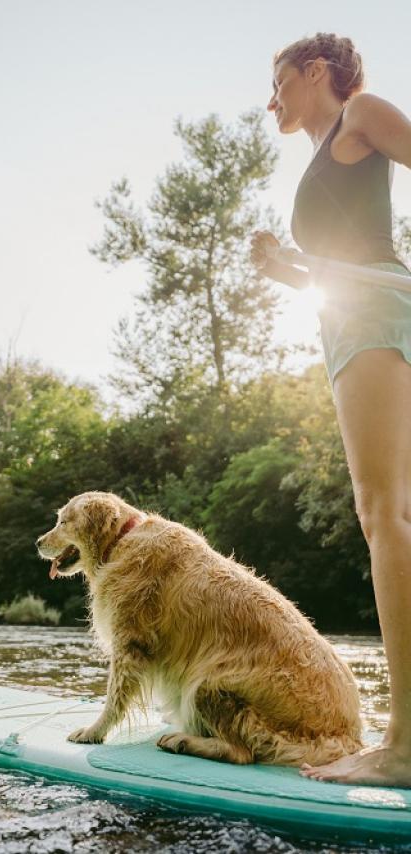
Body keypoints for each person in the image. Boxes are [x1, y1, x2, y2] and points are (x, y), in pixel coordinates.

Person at [250, 32, 411, 787]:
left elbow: (368, 266)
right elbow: (335, 273)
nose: (270, 97)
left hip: (377, 317)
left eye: (278, 80)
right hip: (354, 318)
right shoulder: (323, 159)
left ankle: (405, 746)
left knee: (384, 514)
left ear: (316, 72)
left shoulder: (361, 114)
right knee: (393, 514)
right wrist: (287, 271)